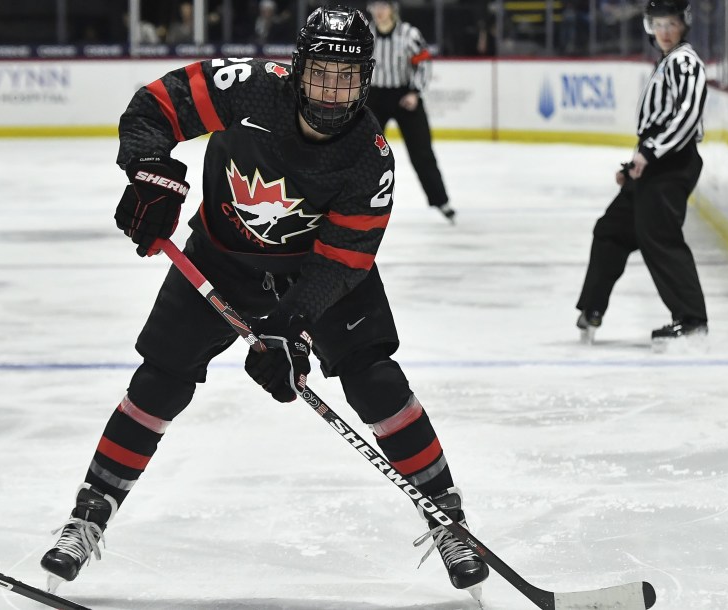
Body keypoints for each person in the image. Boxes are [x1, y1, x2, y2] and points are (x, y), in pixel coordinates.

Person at [38, 4, 490, 601]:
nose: (332, 92)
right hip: (220, 258)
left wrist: (291, 327)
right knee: (160, 381)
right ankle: (88, 515)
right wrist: (151, 174)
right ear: (297, 69)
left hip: (314, 273)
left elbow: (344, 259)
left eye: (347, 77)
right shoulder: (249, 88)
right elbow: (155, 106)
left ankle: (446, 518)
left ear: (367, 81)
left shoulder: (370, 156)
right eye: (320, 73)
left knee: (375, 379)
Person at [575, 0, 708, 347]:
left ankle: (692, 319)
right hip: (654, 164)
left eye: (671, 24)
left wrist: (649, 154)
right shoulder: (667, 62)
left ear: (684, 24)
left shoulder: (685, 62)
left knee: (659, 237)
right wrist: (636, 163)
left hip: (671, 164)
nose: (664, 32)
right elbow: (658, 124)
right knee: (612, 230)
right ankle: (592, 308)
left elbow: (687, 117)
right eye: (657, 25)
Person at [365, 0, 455, 223]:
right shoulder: (364, 33)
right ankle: (358, 200)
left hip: (405, 96)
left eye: (383, 6)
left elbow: (423, 63)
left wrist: (415, 92)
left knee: (422, 152)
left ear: (393, 9)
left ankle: (440, 200)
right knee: (364, 151)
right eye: (375, 6)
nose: (379, 11)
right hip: (375, 97)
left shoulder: (409, 34)